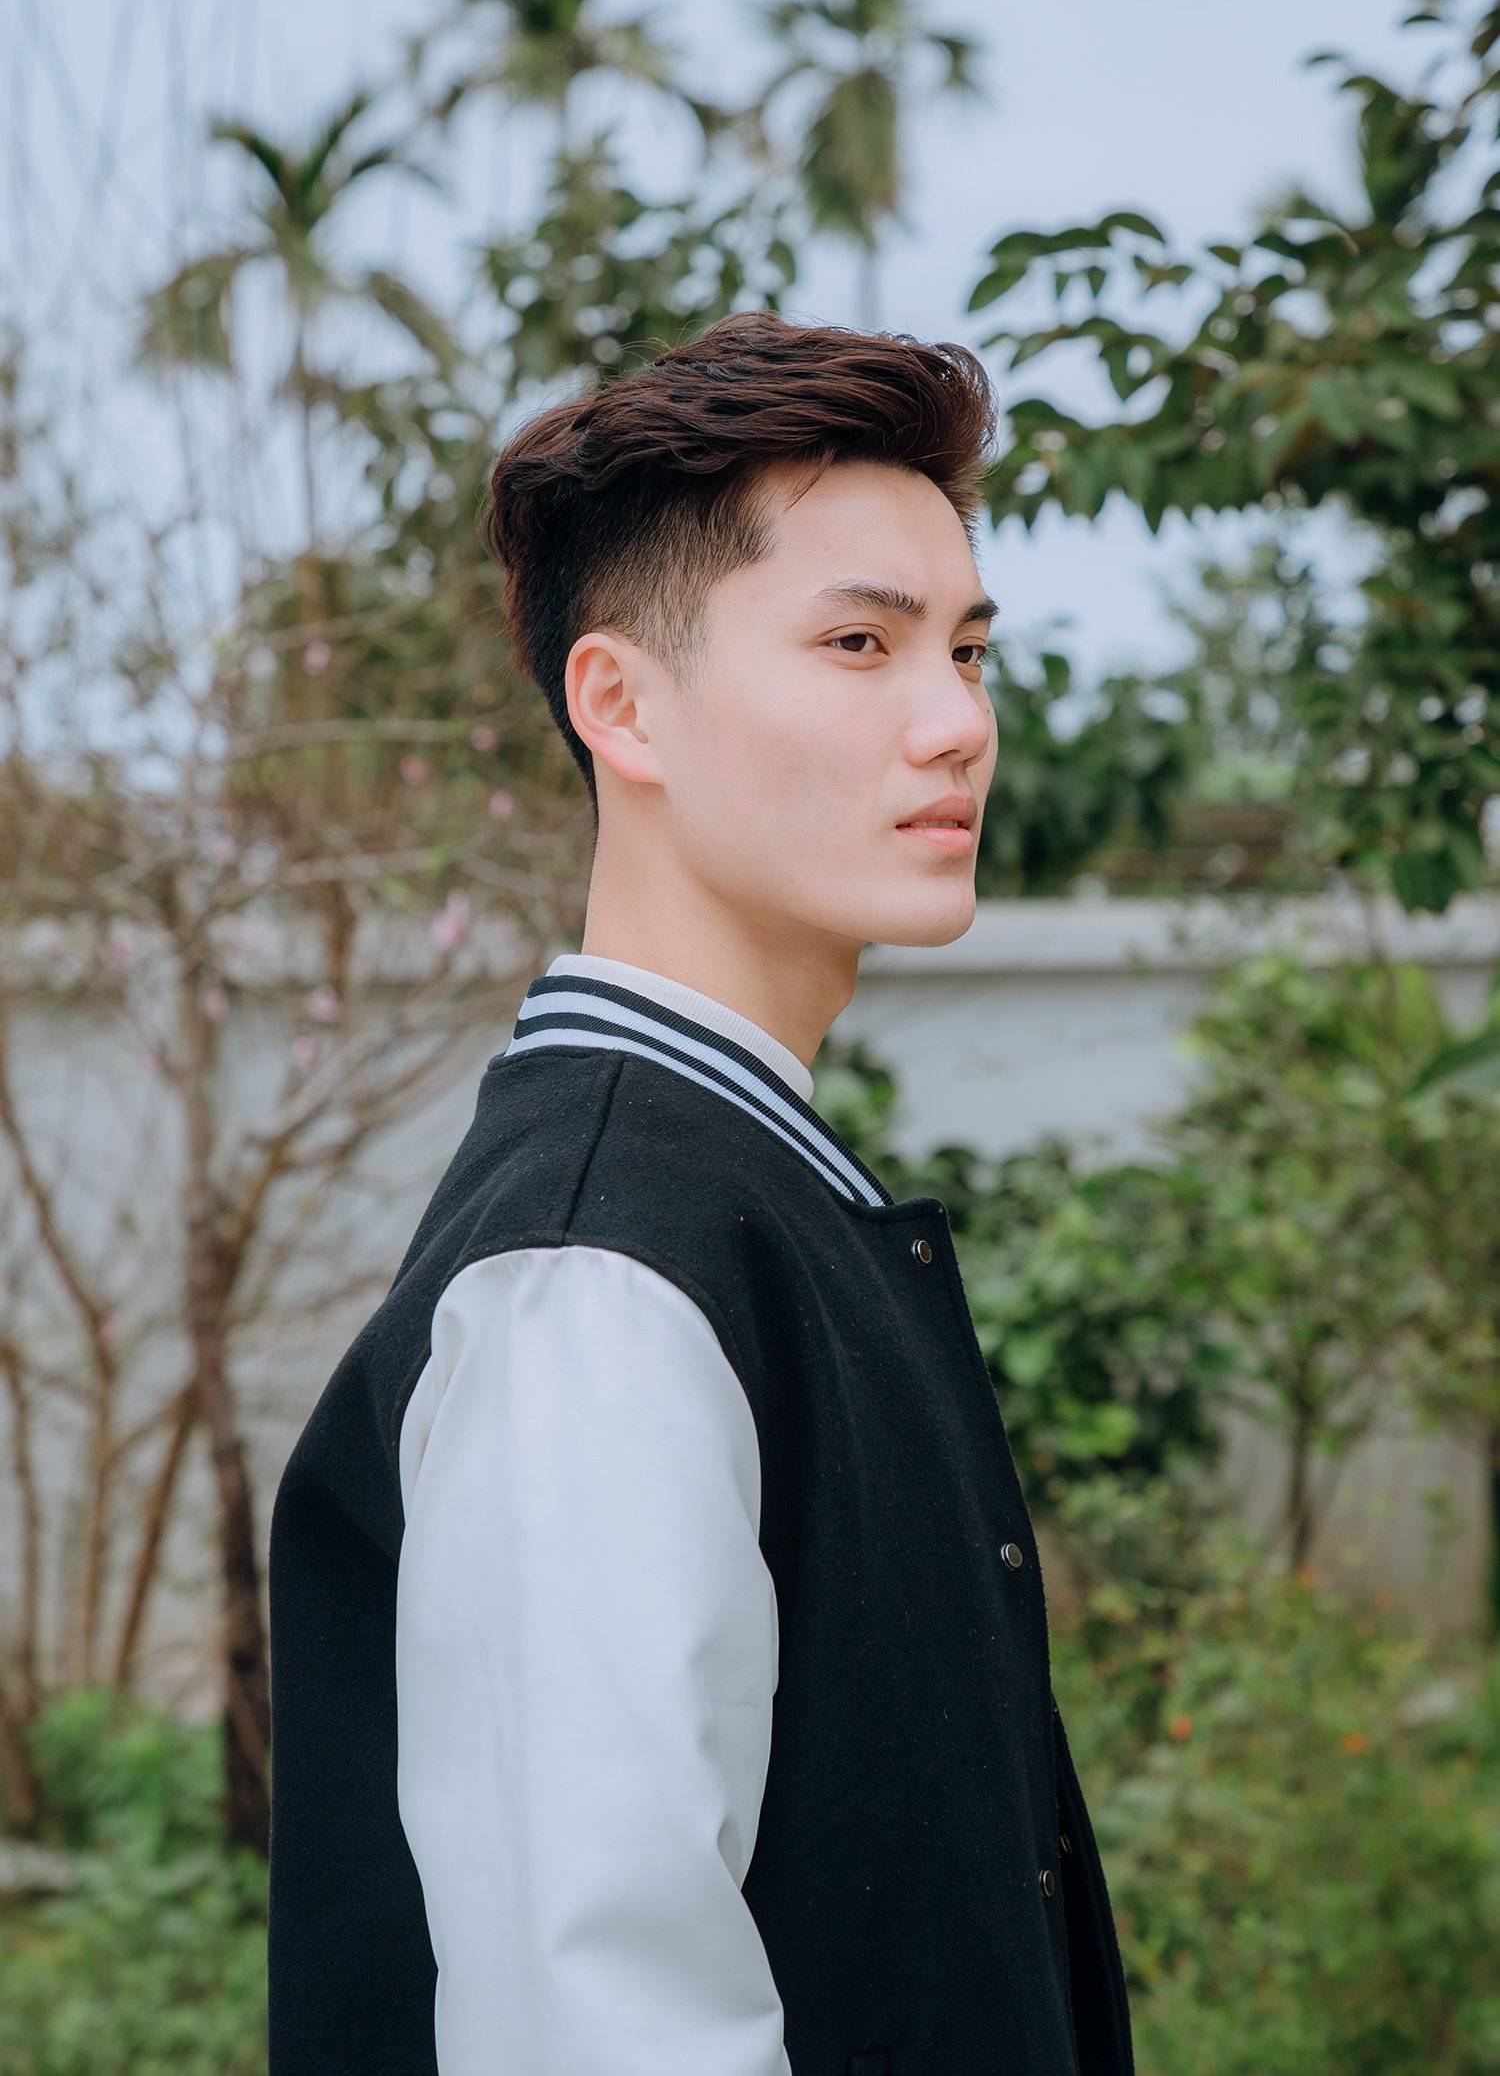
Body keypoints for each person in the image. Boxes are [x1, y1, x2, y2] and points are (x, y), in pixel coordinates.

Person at [265, 309, 1136, 2076]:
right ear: (621, 703)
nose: (957, 722)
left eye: (968, 649)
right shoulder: (597, 1276)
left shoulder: (736, 1192)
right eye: (859, 642)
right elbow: (599, 2027)